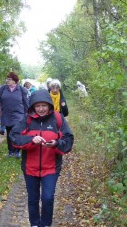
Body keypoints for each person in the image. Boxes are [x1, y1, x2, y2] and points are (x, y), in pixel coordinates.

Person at [9, 89, 74, 227]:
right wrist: (31, 140)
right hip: (30, 168)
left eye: (44, 105)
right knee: (33, 199)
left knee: (47, 198)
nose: (41, 109)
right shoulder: (26, 120)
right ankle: (34, 223)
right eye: (37, 106)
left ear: (49, 105)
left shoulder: (57, 118)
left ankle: (45, 224)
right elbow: (14, 138)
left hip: (51, 168)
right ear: (32, 106)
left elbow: (68, 140)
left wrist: (56, 143)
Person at [0, 72, 29, 158]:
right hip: (6, 114)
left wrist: (28, 114)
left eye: (9, 79)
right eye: (7, 79)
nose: (7, 81)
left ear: (15, 80)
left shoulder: (21, 89)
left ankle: (17, 150)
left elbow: (26, 103)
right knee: (9, 133)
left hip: (19, 115)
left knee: (17, 132)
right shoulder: (3, 89)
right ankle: (10, 151)